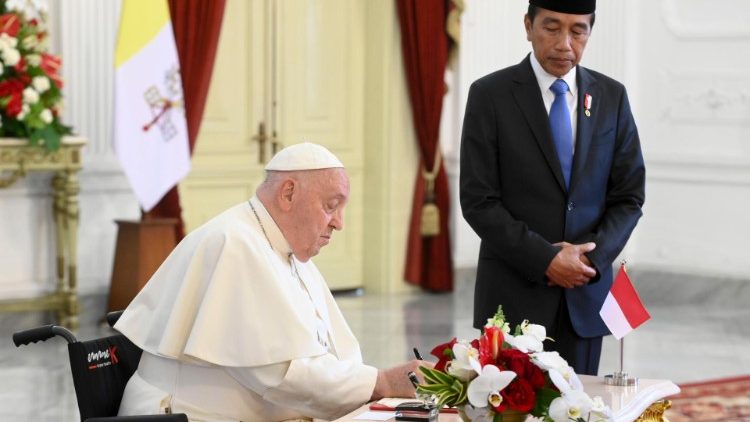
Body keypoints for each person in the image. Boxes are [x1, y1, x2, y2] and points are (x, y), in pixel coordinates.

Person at [115, 143, 426, 421]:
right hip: (187, 415)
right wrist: (381, 382)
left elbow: (332, 352)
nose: (339, 223)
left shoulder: (286, 251)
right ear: (288, 193)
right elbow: (280, 374)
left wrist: (371, 383)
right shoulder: (234, 244)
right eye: (331, 206)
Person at [459, 0, 645, 376]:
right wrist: (545, 259)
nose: (564, 43)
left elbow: (628, 196)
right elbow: (479, 201)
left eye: (578, 30)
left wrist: (588, 261)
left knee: (580, 409)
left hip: (585, 296)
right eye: (551, 27)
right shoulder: (490, 95)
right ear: (528, 26)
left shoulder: (612, 97)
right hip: (512, 297)